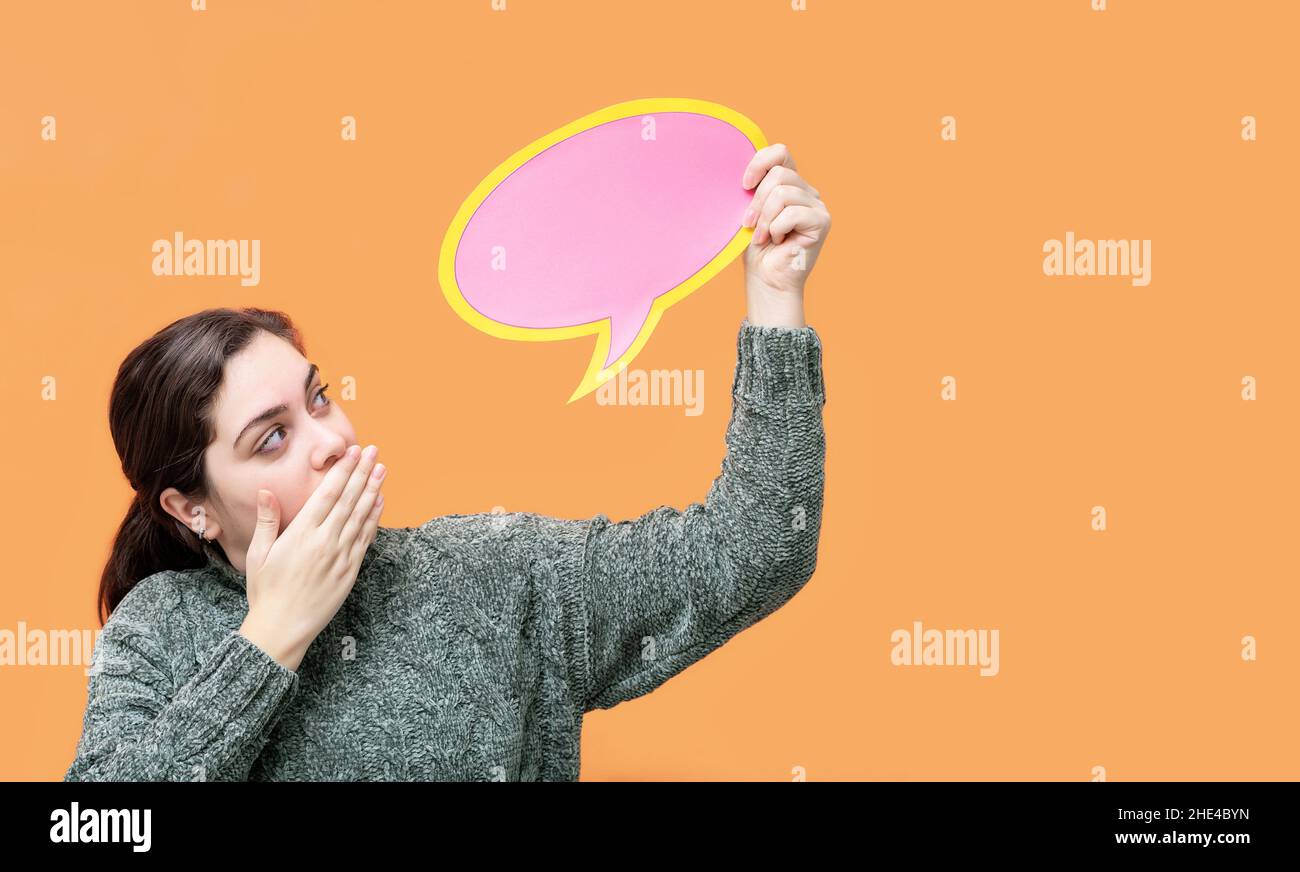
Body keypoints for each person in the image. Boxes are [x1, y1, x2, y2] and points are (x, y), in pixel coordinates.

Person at [64, 143, 831, 781]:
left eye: (319, 399)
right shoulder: (160, 629)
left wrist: (774, 300)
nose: (330, 439)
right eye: (271, 437)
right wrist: (271, 639)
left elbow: (758, 546)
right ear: (189, 507)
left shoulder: (494, 577)